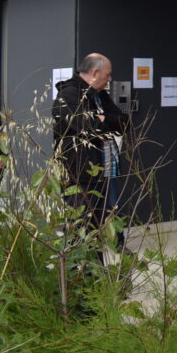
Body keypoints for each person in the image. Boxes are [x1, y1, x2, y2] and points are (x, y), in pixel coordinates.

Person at [52, 54, 127, 251]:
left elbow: (124, 122)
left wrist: (105, 119)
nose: (110, 79)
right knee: (83, 225)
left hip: (107, 168)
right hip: (81, 174)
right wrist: (101, 120)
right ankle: (84, 274)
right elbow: (89, 128)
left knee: (109, 214)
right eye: (108, 75)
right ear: (95, 73)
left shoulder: (99, 95)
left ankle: (113, 250)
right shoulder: (68, 95)